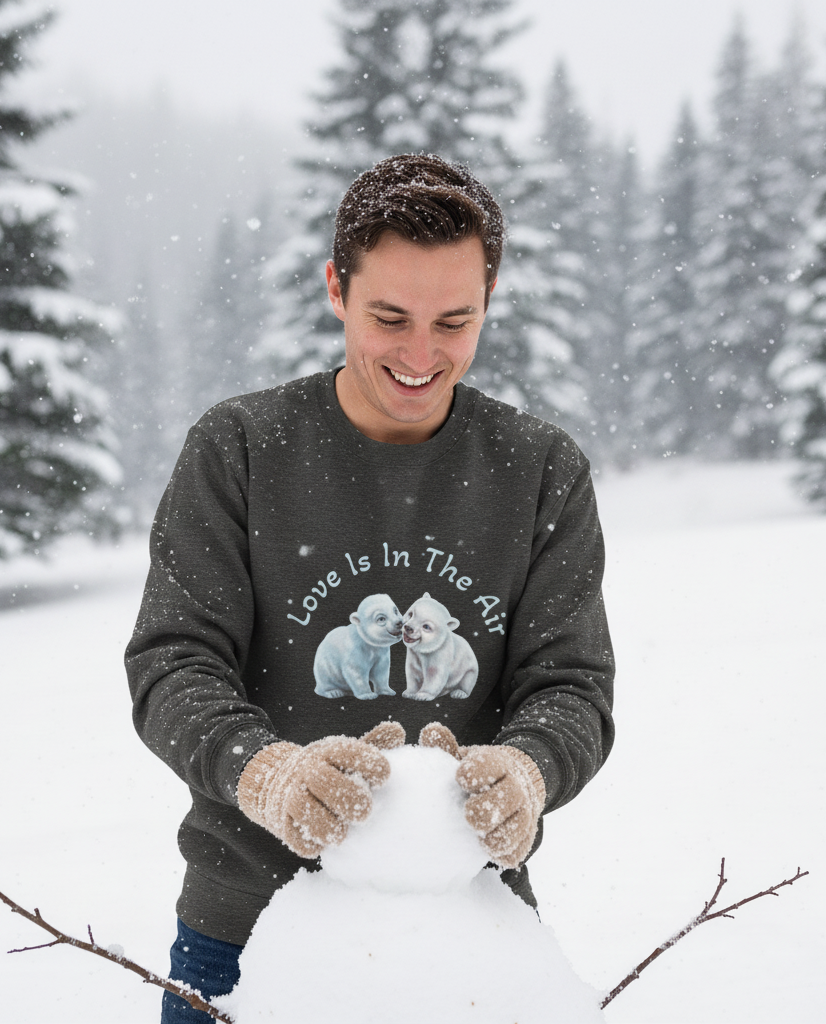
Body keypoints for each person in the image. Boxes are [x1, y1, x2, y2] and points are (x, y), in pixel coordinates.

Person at [125, 153, 615, 1023]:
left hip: (468, 942)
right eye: (390, 315)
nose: (421, 355)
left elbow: (570, 686)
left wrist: (529, 770)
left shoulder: (542, 471)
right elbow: (173, 663)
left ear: (490, 301)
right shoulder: (239, 449)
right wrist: (265, 772)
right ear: (335, 288)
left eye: (454, 320)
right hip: (244, 928)